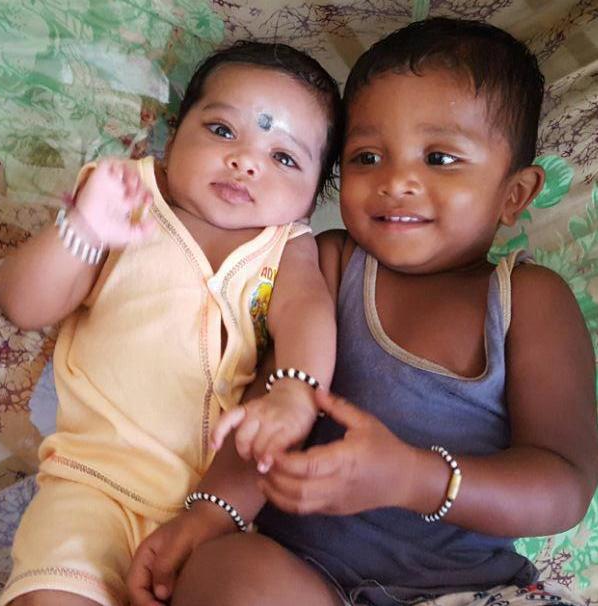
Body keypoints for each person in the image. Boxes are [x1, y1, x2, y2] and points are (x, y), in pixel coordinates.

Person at [127, 17, 598, 606]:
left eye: (439, 158)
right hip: (301, 575)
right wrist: (210, 514)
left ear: (515, 194)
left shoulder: (528, 300)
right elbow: (270, 411)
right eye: (367, 156)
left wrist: (415, 478)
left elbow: (564, 484)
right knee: (221, 571)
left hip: (463, 589)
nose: (396, 181)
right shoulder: (327, 263)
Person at [0, 40, 342, 606]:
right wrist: (80, 230)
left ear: (312, 196)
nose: (246, 161)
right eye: (222, 131)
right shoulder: (125, 198)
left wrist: (295, 393)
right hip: (89, 484)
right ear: (174, 134)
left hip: (208, 512)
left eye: (284, 158)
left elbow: (308, 314)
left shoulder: (286, 247)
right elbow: (22, 305)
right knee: (53, 592)